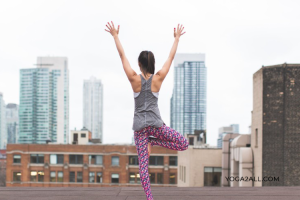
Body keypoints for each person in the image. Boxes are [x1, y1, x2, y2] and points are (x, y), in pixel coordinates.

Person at [105, 21, 189, 200]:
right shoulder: (158, 78)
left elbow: (122, 56)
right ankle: (155, 141)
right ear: (152, 63)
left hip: (141, 131)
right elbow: (170, 58)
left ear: (139, 63)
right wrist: (176, 39)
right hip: (156, 127)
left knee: (143, 168)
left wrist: (115, 36)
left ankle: (149, 198)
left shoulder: (134, 79)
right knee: (184, 144)